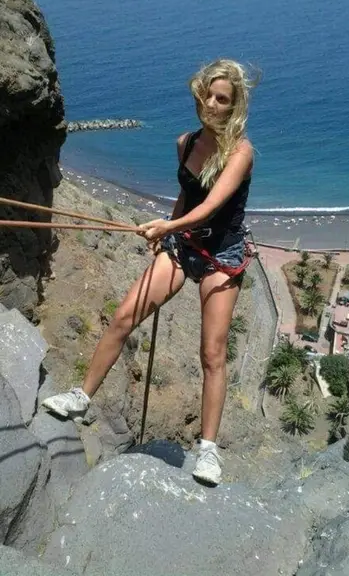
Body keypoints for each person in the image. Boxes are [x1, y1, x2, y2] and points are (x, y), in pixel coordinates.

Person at [42, 59, 257, 485]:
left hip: (222, 254)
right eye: (208, 95)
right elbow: (188, 196)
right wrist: (168, 230)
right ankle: (81, 397)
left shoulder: (241, 153)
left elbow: (211, 206)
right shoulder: (186, 143)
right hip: (184, 244)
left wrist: (167, 227)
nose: (212, 104)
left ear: (234, 107)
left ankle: (208, 450)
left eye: (222, 100)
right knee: (125, 316)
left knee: (212, 353)